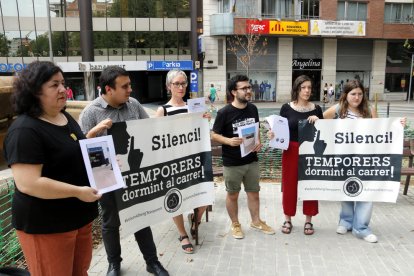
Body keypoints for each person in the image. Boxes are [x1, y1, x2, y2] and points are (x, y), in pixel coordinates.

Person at [3, 61, 101, 276]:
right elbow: (29, 184)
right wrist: (78, 191)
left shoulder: (64, 117)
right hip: (47, 224)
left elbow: (77, 151)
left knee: (79, 272)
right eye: (54, 84)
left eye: (63, 83)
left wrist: (104, 162)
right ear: (34, 90)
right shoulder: (24, 130)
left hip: (79, 218)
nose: (62, 89)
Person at [79, 66, 168, 276]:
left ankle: (152, 262)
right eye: (125, 86)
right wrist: (93, 134)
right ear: (108, 89)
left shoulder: (134, 105)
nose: (130, 90)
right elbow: (81, 150)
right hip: (106, 173)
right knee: (110, 222)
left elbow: (150, 131)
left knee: (140, 216)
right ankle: (113, 264)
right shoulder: (91, 112)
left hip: (134, 171)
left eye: (130, 85)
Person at [211, 74, 275, 239]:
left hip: (251, 160)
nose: (248, 91)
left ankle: (256, 221)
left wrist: (259, 142)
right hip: (232, 162)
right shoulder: (224, 112)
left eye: (249, 87)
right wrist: (228, 140)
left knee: (254, 192)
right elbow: (213, 135)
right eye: (244, 88)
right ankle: (235, 224)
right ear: (234, 91)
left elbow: (255, 129)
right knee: (233, 194)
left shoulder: (253, 108)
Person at [155, 69, 209, 254]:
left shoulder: (194, 106)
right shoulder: (163, 110)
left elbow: (201, 134)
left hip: (194, 159)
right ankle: (182, 233)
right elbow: (158, 139)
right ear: (169, 86)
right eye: (176, 84)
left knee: (203, 195)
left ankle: (196, 220)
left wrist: (205, 121)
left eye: (183, 83)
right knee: (174, 198)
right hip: (174, 162)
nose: (180, 87)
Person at [323, 79, 379, 243]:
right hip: (344, 159)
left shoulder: (369, 110)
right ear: (346, 95)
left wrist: (397, 125)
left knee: (366, 192)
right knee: (347, 189)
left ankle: (361, 228)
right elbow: (321, 121)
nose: (357, 97)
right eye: (353, 94)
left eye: (360, 94)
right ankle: (346, 221)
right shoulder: (338, 109)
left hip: (365, 159)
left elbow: (381, 130)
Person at [268, 75, 322, 235]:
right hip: (290, 149)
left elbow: (323, 132)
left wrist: (318, 120)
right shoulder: (286, 108)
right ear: (297, 89)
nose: (306, 90)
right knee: (289, 184)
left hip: (310, 150)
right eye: (303, 87)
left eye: (309, 87)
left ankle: (308, 220)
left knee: (311, 184)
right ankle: (288, 218)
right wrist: (272, 134)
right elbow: (279, 130)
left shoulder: (317, 109)